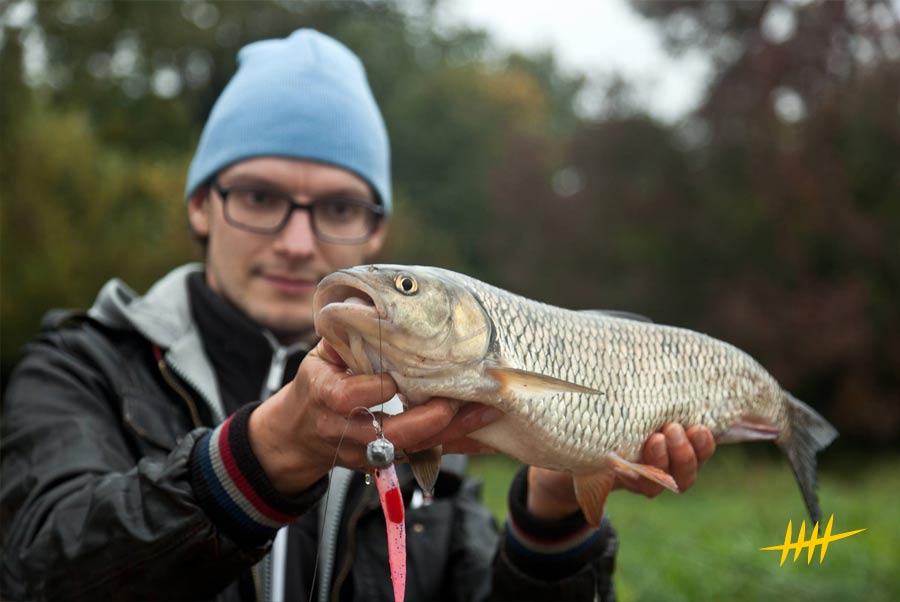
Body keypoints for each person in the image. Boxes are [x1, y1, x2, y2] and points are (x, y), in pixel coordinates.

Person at [0, 29, 715, 601]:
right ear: (199, 203)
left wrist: (554, 509)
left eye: (339, 208)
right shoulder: (82, 367)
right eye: (258, 196)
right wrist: (267, 455)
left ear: (375, 233)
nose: (297, 240)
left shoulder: (433, 405)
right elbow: (35, 572)